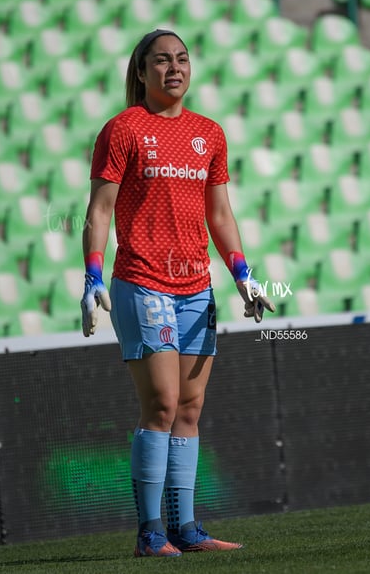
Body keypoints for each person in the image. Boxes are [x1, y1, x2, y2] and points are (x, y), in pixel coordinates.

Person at [81, 29, 275, 558]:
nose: (174, 68)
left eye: (182, 59)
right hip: (142, 280)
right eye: (161, 60)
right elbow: (100, 210)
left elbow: (219, 213)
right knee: (161, 404)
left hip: (195, 287)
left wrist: (243, 273)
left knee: (190, 408)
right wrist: (92, 276)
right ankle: (150, 534)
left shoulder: (209, 134)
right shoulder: (122, 130)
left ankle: (185, 529)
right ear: (140, 71)